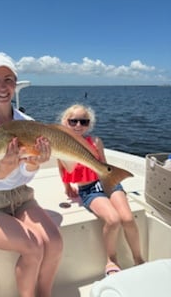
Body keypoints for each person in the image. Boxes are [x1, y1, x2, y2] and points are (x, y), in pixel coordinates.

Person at [0, 54, 63, 297]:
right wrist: (3, 168)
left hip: (20, 196)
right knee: (33, 246)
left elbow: (24, 178)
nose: (3, 86)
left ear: (15, 84)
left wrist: (34, 164)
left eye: (8, 79)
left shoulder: (27, 123)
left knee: (55, 243)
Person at [57, 104, 144, 276]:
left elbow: (103, 164)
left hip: (107, 183)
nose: (78, 126)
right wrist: (67, 186)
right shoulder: (61, 144)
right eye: (73, 121)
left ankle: (138, 259)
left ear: (89, 124)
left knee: (127, 218)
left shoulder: (96, 142)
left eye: (84, 121)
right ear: (65, 122)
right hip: (89, 190)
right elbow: (61, 167)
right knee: (113, 220)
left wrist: (112, 181)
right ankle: (111, 260)